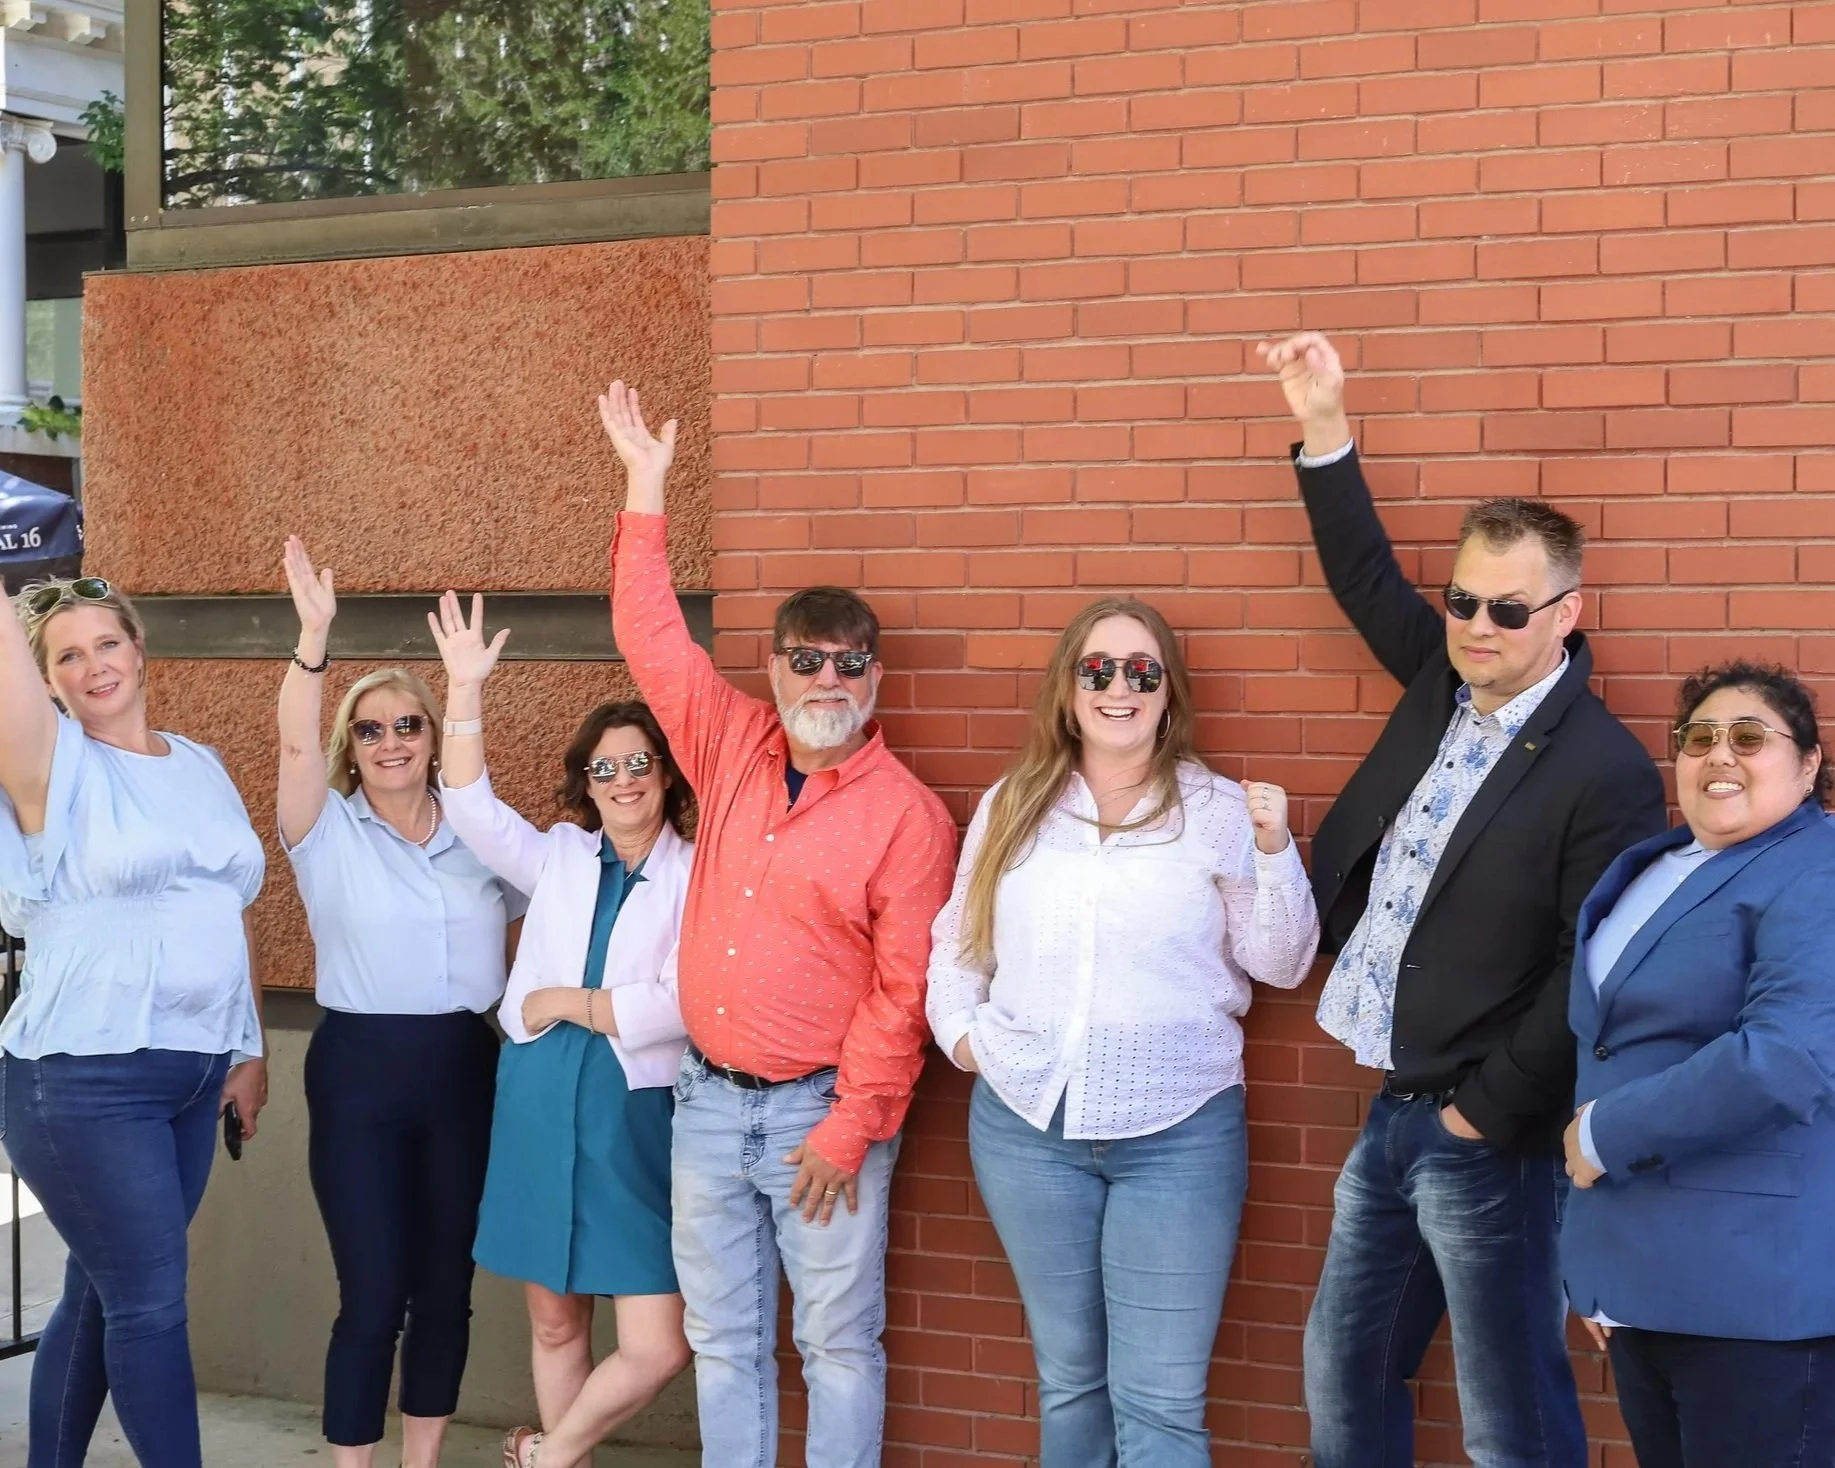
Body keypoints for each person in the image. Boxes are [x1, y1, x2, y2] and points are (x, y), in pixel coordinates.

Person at [1256, 332, 1667, 1468]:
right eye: (1462, 601)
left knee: (1511, 1422)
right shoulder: (1440, 679)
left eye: (1507, 610)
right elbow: (1359, 574)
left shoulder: (1606, 772)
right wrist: (1324, 420)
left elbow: (1587, 972)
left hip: (1490, 1136)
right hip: (1389, 1107)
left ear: (1565, 615)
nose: (1477, 626)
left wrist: (1481, 1112)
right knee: (1343, 1381)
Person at [599, 381, 959, 1468]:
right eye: (806, 657)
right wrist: (645, 488)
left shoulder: (907, 816)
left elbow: (905, 991)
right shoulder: (728, 741)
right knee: (723, 1341)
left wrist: (851, 1124)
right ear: (774, 667)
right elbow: (649, 636)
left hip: (821, 1120)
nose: (826, 678)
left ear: (875, 676)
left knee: (836, 1342)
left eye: (850, 661)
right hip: (707, 1104)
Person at [927, 597, 1319, 1466]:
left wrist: (1272, 849)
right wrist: (963, 1038)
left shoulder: (1218, 810)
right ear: (1068, 690)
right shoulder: (1013, 804)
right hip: (1027, 1129)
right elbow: (958, 940)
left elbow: (1283, 962)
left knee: (1161, 1403)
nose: (1118, 687)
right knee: (1069, 1381)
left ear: (1168, 692)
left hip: (1176, 1137)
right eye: (1096, 669)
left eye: (1140, 671)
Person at [0, 575, 267, 1468]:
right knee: (150, 1304)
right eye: (66, 656)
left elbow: (226, 909)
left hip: (195, 1075)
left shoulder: (199, 762)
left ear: (140, 647)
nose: (92, 666)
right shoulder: (52, 765)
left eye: (105, 644)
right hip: (85, 1079)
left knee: (96, 1294)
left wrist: (248, 1048)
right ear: (47, 684)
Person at [428, 591, 695, 1468]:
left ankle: (544, 1453)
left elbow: (686, 1001)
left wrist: (570, 1003)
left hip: (637, 1110)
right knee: (553, 1318)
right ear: (586, 783)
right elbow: (466, 804)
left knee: (659, 1341)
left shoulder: (700, 872)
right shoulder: (559, 855)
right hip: (541, 1097)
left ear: (667, 772)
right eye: (603, 769)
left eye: (639, 764)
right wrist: (463, 691)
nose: (622, 782)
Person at [277, 539, 527, 1468]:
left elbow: (563, 903)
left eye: (408, 725)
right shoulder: (322, 829)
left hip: (465, 1068)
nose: (391, 742)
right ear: (354, 743)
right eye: (372, 729)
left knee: (445, 1290)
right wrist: (313, 640)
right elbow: (295, 741)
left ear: (433, 736)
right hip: (360, 1075)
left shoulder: (482, 836)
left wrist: (466, 694)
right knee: (373, 1295)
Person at [1562, 661, 1835, 1468]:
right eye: (1697, 737)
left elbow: (1787, 1057)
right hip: (1647, 1281)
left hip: (1756, 1295)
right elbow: (1607, 1053)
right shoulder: (1655, 865)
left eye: (1749, 737)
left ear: (1810, 765)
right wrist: (1597, 1264)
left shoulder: (1813, 872)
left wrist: (1604, 1135)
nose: (1719, 755)